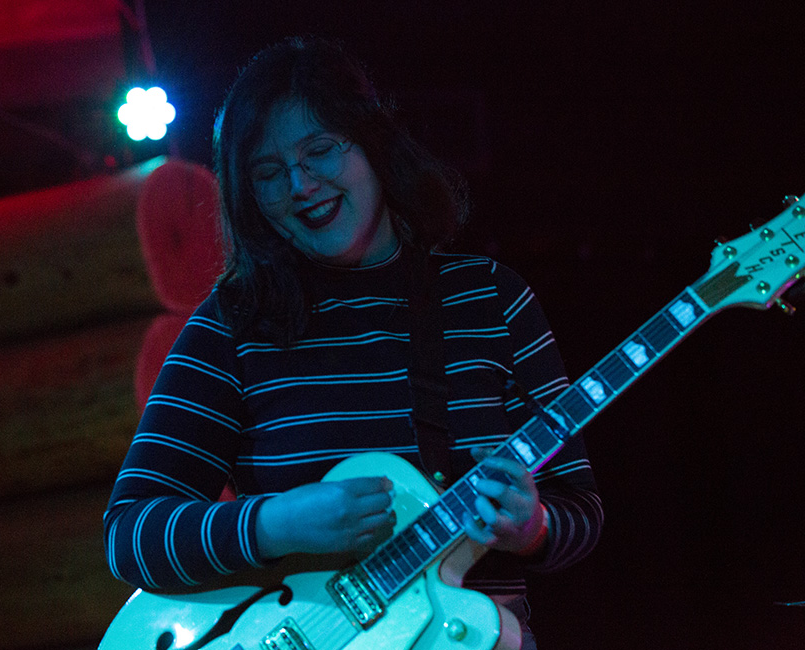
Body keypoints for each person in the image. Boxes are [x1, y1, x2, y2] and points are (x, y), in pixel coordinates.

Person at [104, 36, 603, 648]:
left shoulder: (492, 299)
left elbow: (580, 508)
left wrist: (533, 528)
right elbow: (131, 536)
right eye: (268, 173)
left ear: (374, 145)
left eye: (319, 151)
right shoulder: (231, 328)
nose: (300, 184)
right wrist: (276, 524)